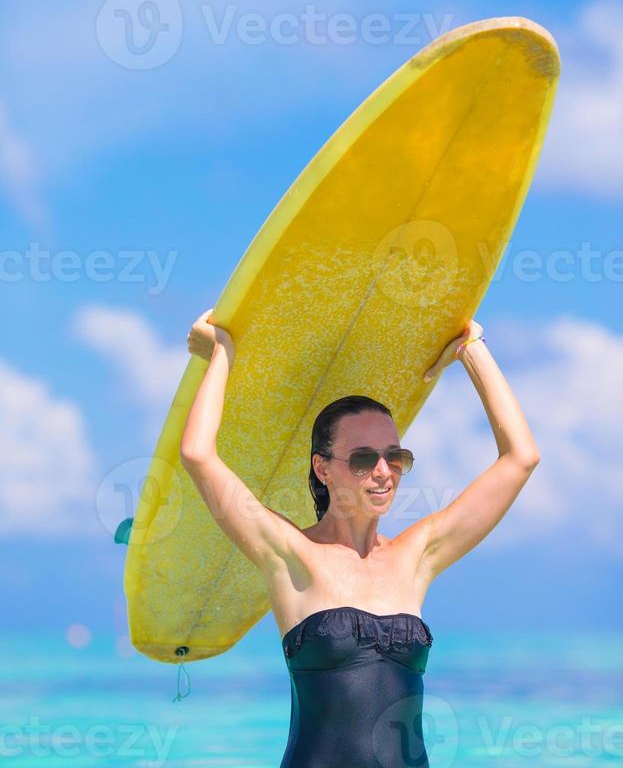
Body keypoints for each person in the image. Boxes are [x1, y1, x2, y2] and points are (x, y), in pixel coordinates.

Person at [180, 309, 541, 767]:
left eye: (396, 456)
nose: (383, 472)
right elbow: (197, 453)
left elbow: (520, 458)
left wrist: (471, 349)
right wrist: (222, 352)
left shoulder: (416, 555)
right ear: (322, 468)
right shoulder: (291, 553)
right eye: (363, 458)